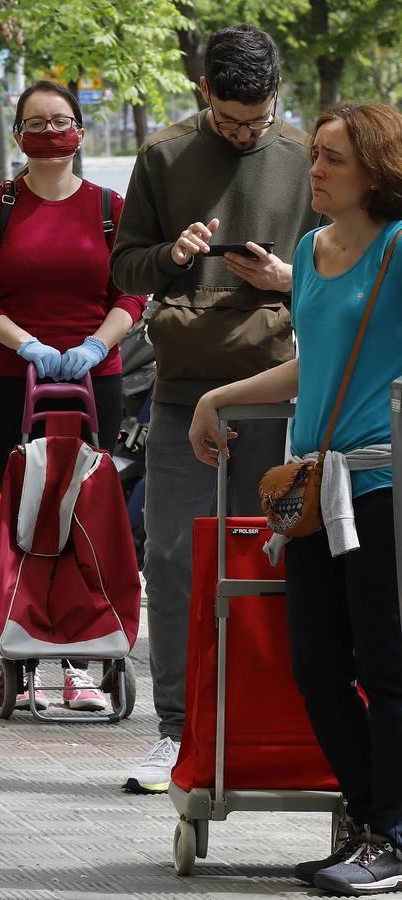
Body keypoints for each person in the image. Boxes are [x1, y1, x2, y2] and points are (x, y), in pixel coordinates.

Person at [188, 102, 402, 897]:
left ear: (375, 169)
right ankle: (374, 818)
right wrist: (220, 398)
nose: (313, 169)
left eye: (333, 159)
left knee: (385, 665)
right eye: (314, 154)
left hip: (382, 485)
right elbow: (311, 366)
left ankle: (390, 834)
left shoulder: (400, 248)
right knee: (314, 665)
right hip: (312, 489)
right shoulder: (310, 252)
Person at [110, 24, 323, 794]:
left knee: (273, 559)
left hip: (276, 390)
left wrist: (283, 279)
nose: (243, 135)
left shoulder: (305, 158)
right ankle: (175, 730)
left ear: (275, 101)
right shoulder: (163, 156)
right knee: (169, 559)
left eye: (257, 121)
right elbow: (124, 264)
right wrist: (169, 256)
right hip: (182, 390)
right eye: (230, 121)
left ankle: (272, 724)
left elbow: (340, 273)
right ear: (205, 93)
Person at [0, 81, 144, 710]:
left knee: (86, 514)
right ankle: (29, 640)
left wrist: (95, 345)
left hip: (97, 378)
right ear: (17, 136)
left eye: (61, 121)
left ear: (81, 133)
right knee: (31, 513)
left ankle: (83, 656)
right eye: (35, 123)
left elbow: (131, 293)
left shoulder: (110, 208)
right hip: (14, 379)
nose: (49, 133)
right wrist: (27, 344)